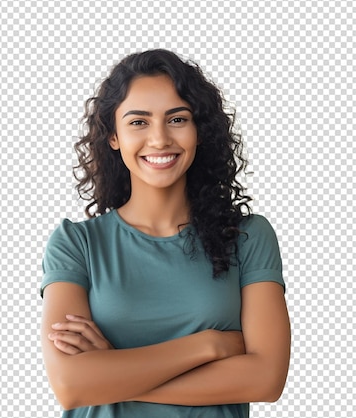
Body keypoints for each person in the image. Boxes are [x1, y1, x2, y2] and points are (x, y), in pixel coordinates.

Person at [40, 49, 290, 418]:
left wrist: (113, 371)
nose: (159, 139)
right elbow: (71, 386)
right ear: (113, 136)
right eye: (138, 122)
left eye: (177, 119)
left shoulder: (247, 237)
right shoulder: (77, 244)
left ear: (199, 131)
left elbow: (266, 380)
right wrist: (208, 345)